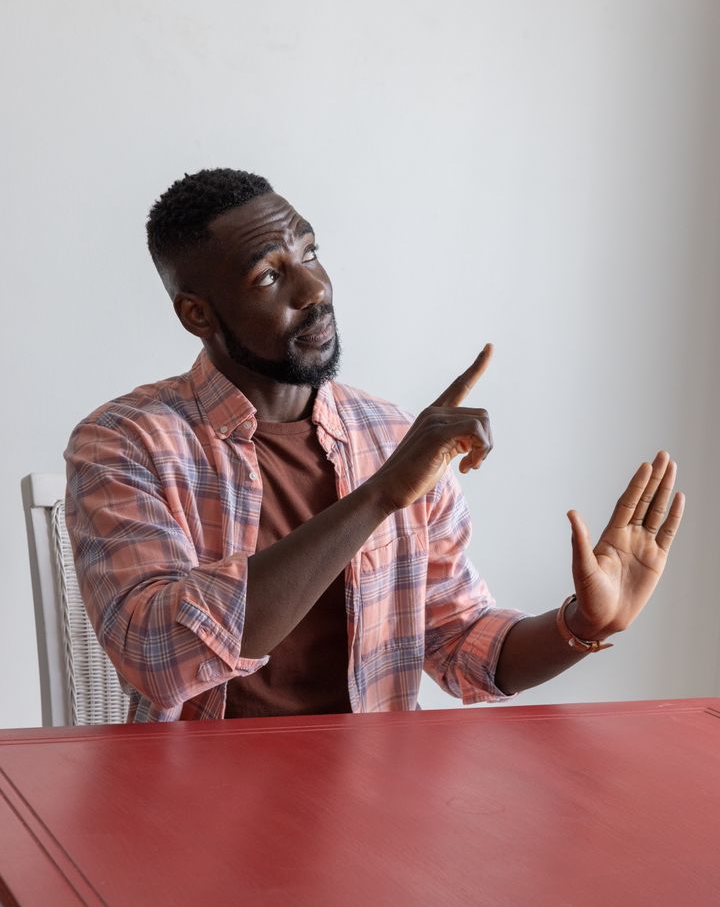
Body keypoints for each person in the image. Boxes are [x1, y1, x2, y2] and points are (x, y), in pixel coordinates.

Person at [64, 168, 685, 723]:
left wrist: (582, 625)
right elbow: (159, 656)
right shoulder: (124, 442)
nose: (314, 289)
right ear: (198, 315)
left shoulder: (392, 434)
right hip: (195, 803)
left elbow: (459, 640)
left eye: (310, 252)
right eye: (270, 274)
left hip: (375, 791)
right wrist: (380, 495)